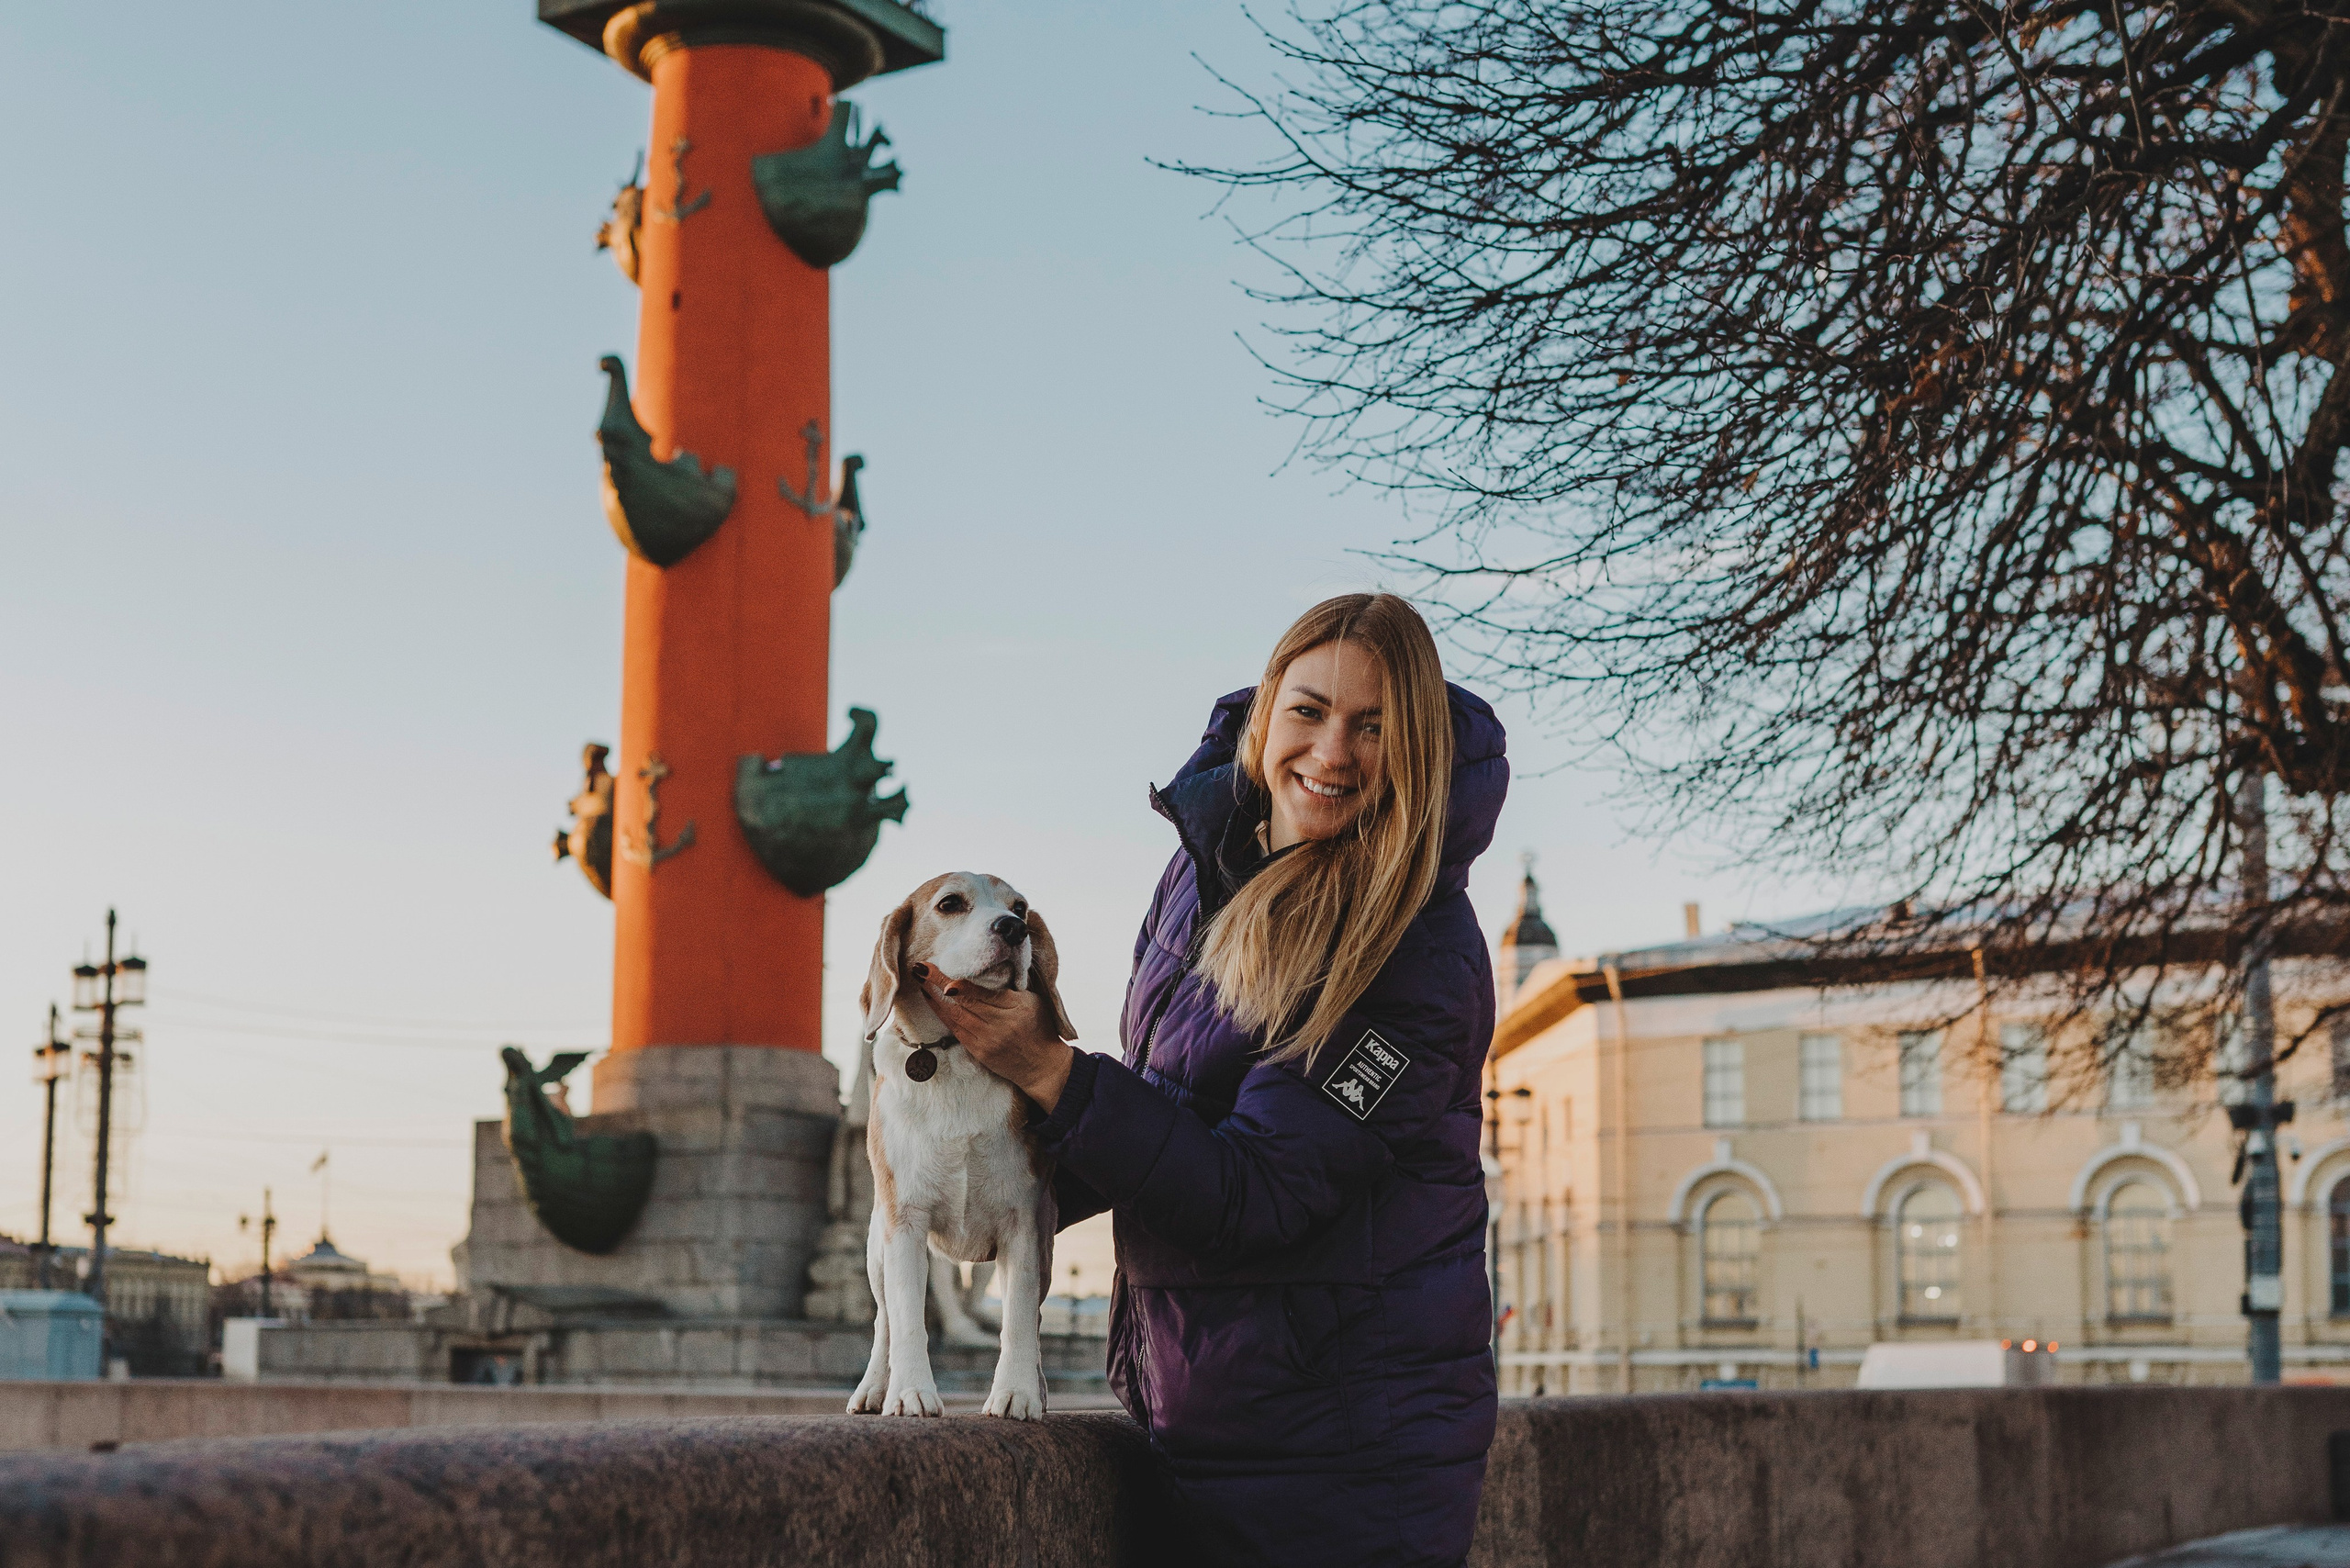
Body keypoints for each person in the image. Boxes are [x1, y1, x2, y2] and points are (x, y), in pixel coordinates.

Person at [934, 592, 1508, 1567]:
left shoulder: (1416, 950)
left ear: (1411, 746)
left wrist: (1046, 1066)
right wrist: (986, 1178)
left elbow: (1259, 1191)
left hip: (1347, 1465)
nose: (1331, 751)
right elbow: (1169, 1111)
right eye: (1309, 710)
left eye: (1372, 726)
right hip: (1215, 1421)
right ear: (1264, 712)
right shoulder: (1203, 868)